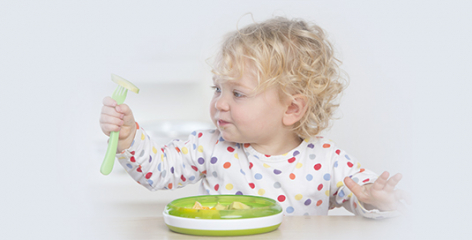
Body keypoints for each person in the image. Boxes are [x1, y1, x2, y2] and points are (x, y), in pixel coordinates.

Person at [99, 16, 408, 218]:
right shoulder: (209, 147)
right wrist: (129, 137)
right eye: (217, 88)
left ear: (291, 109)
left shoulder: (327, 160)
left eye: (238, 94)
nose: (219, 103)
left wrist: (372, 199)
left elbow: (361, 193)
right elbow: (158, 171)